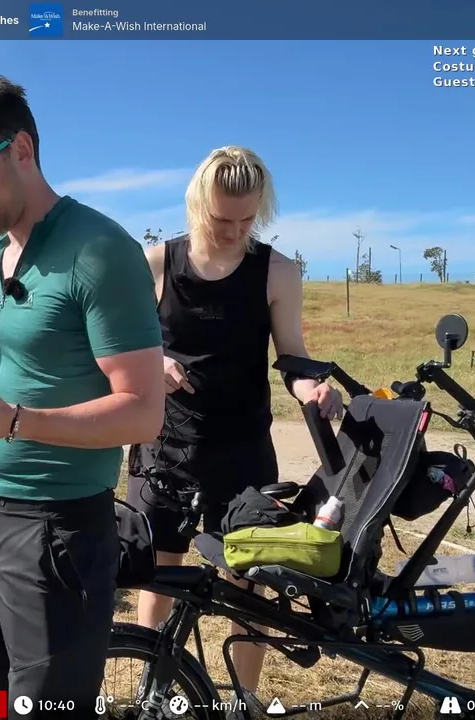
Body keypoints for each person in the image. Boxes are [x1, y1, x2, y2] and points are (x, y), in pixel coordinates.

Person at [0, 73, 165, 717]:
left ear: (20, 149)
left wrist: (16, 422)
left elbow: (143, 412)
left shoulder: (101, 252)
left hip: (56, 532)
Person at [124, 146, 342, 696]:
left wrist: (312, 387)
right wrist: (155, 363)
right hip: (165, 449)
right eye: (222, 219)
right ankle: (153, 695)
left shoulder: (278, 271)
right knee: (159, 574)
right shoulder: (155, 264)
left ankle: (244, 701)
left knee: (248, 586)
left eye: (248, 220)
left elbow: (291, 357)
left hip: (243, 453)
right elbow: (123, 349)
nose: (234, 231)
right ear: (197, 204)